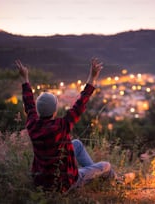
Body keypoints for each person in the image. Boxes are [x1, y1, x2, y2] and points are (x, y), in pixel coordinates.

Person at [15, 58, 117, 193]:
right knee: (106, 166)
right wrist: (92, 77)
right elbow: (81, 103)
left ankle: (96, 178)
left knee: (77, 144)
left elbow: (28, 104)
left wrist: (25, 79)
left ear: (38, 111)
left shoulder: (33, 125)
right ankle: (116, 184)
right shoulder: (61, 126)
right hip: (65, 183)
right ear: (55, 110)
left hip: (41, 182)